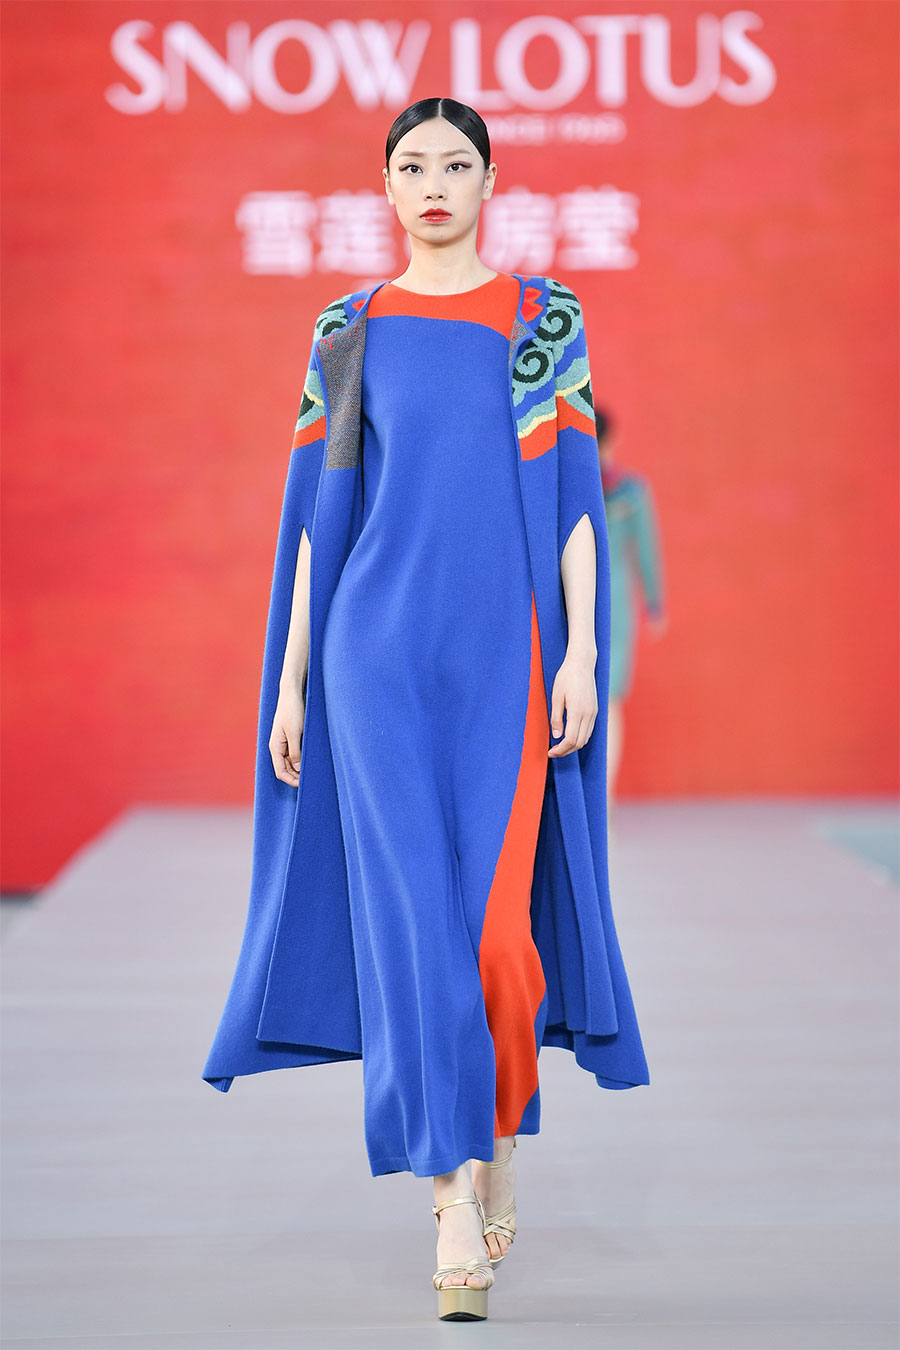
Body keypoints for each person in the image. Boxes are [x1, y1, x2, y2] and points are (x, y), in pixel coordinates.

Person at [201, 97, 650, 1324]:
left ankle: (493, 1134)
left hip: (506, 660)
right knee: (410, 933)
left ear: (491, 181)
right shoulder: (348, 331)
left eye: (458, 163)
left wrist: (583, 651)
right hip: (373, 660)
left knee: (497, 935)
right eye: (413, 165)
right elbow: (318, 519)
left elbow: (573, 500)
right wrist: (292, 676)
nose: (435, 182)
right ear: (387, 186)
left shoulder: (541, 319)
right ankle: (452, 1194)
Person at [595, 408, 668, 820]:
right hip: (616, 600)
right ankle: (603, 795)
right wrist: (655, 604)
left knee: (598, 697)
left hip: (586, 599)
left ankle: (597, 794)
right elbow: (645, 550)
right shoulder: (631, 491)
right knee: (609, 700)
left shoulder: (588, 485)